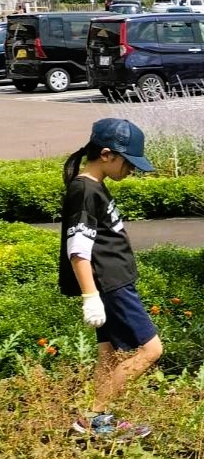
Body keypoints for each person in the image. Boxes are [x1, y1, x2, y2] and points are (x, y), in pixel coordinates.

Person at [61, 118, 162, 438]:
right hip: (111, 286)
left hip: (112, 283)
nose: (130, 170)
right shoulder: (84, 190)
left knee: (108, 353)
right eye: (127, 162)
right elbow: (78, 249)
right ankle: (92, 416)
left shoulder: (92, 186)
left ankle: (100, 422)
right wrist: (91, 296)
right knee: (151, 350)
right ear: (106, 154)